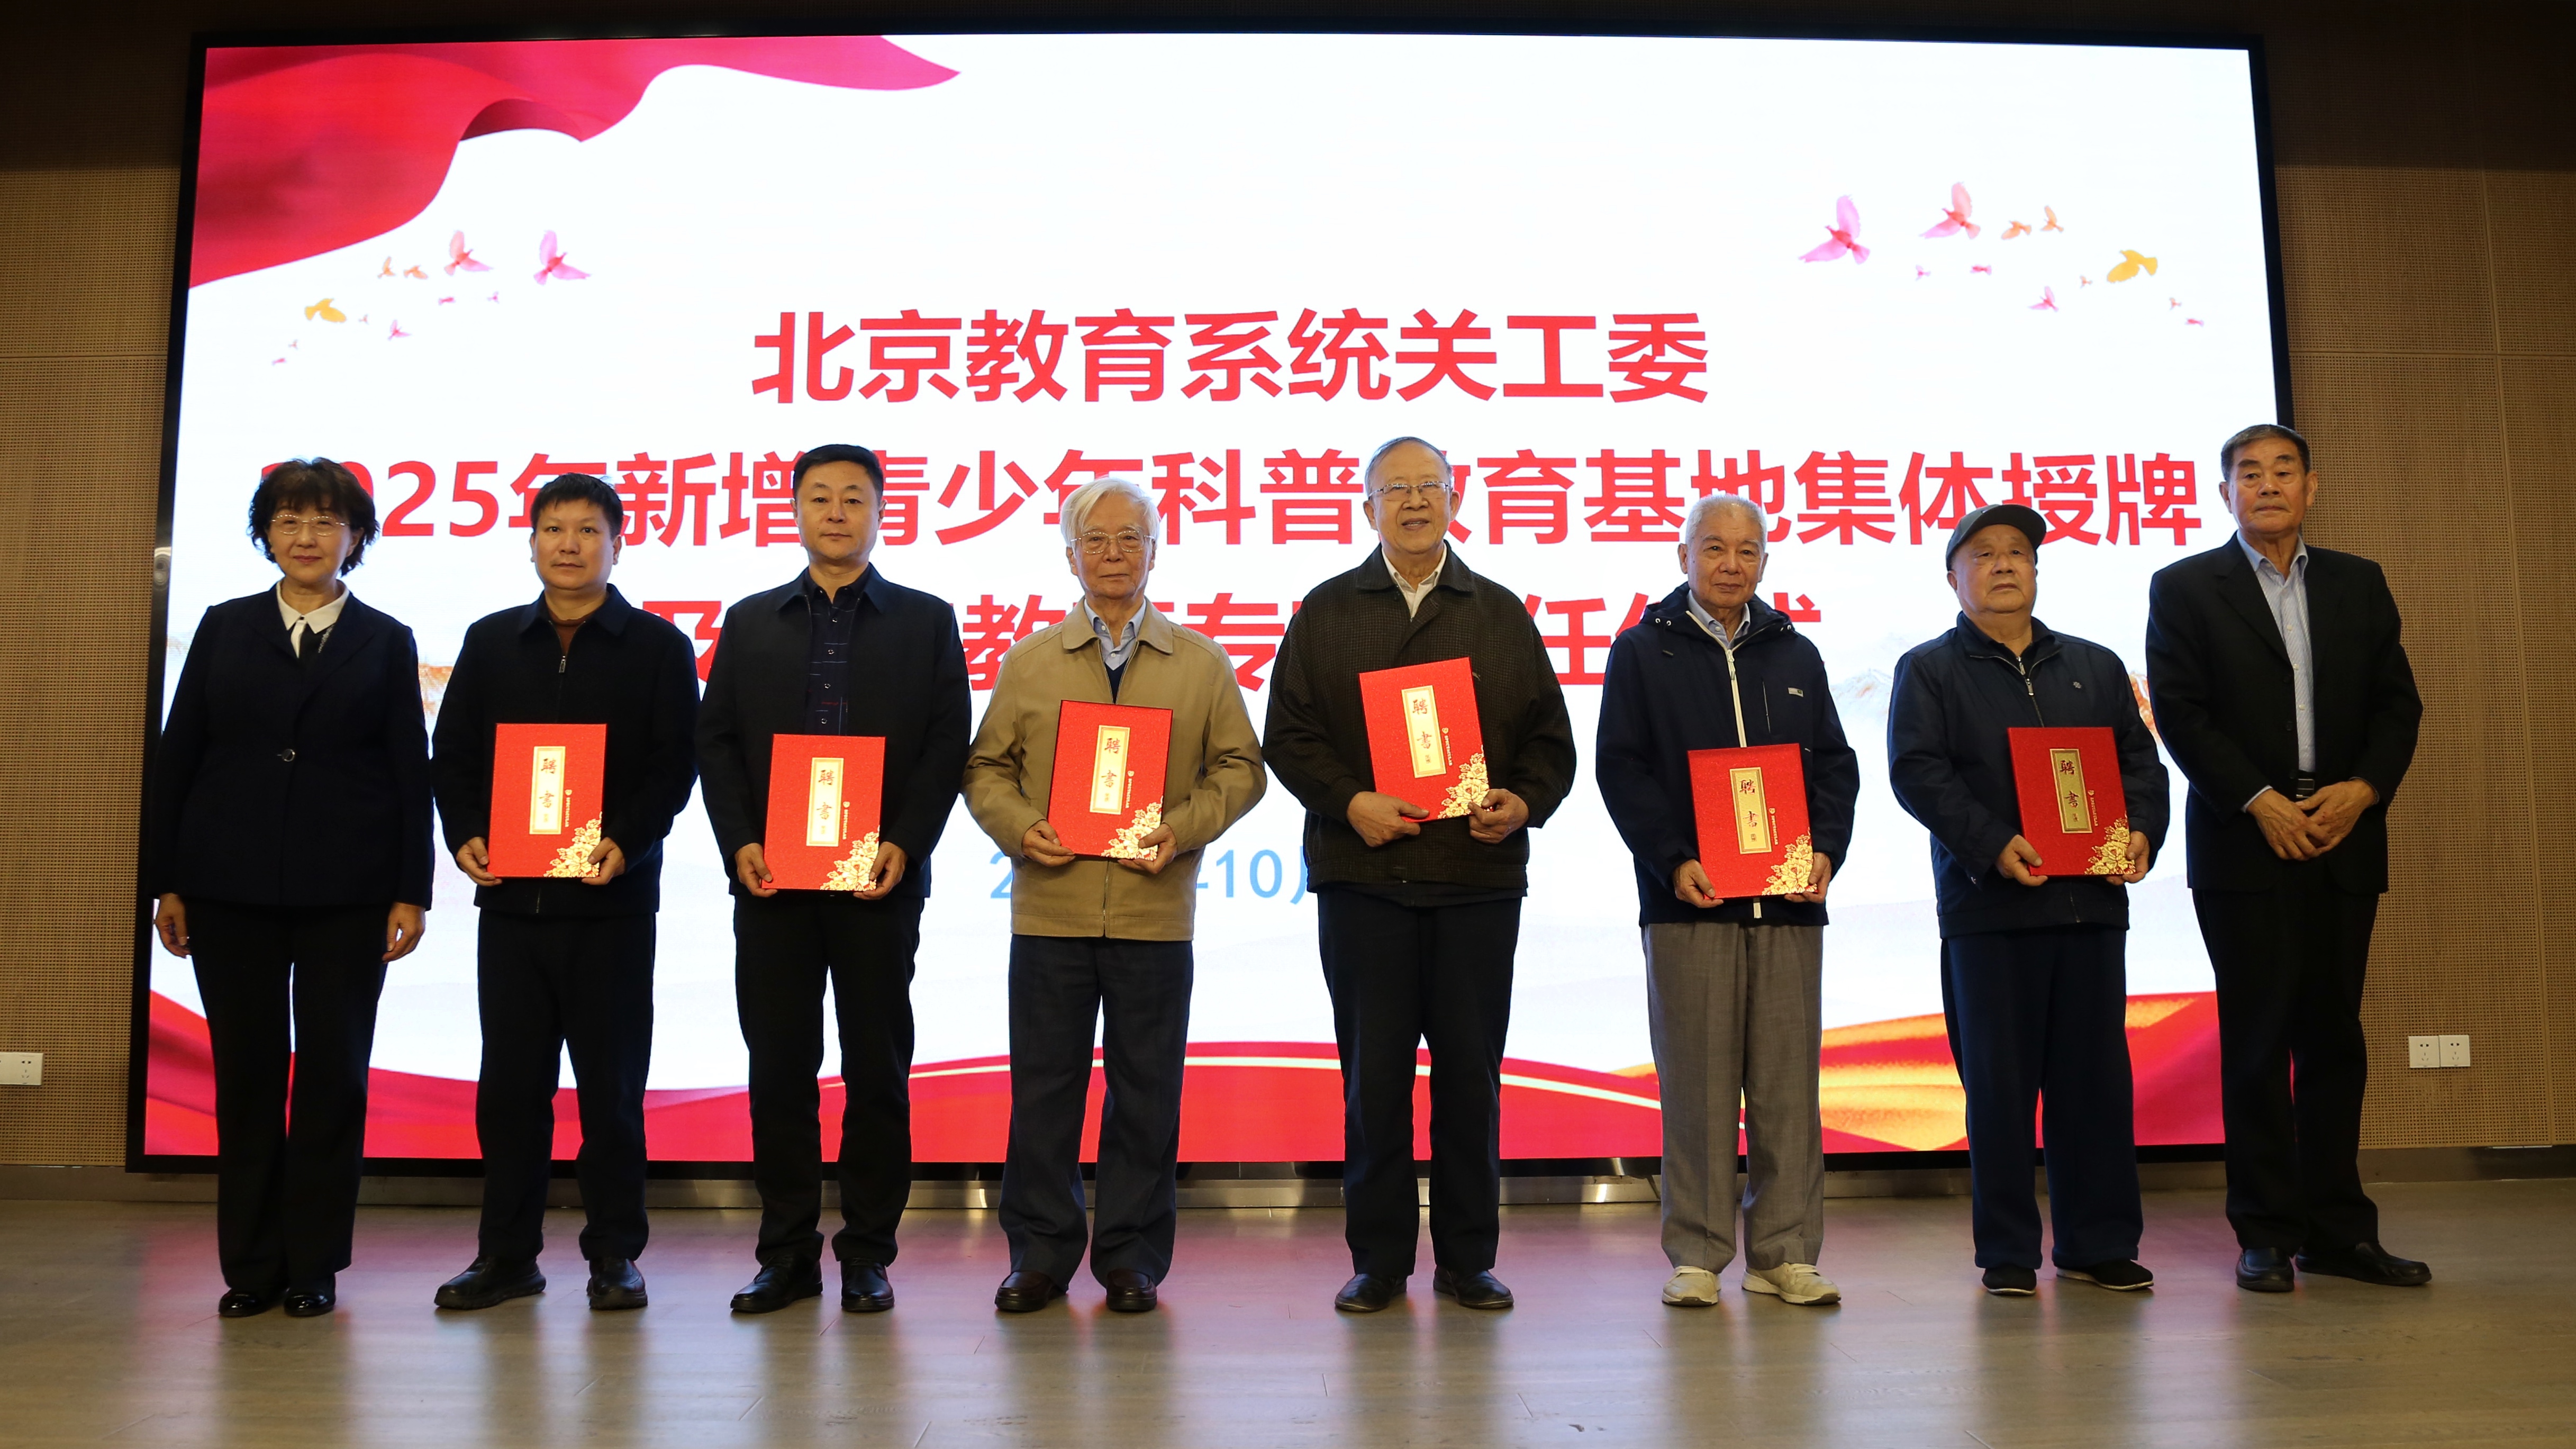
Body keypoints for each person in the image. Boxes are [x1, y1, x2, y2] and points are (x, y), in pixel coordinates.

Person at [1264, 436, 1577, 1314]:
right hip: (1365, 879)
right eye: (1394, 489)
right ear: (1367, 507)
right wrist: (1350, 800)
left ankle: (1468, 1258)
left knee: (1472, 1078)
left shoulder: (1499, 612)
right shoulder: (1328, 610)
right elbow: (1288, 735)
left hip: (1476, 878)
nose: (1412, 502)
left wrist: (1522, 801)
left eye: (1427, 487)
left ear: (1455, 499)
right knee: (1374, 1081)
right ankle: (1379, 1260)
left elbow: (1551, 741)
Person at [963, 477, 1266, 1315]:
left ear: (1155, 552)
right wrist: (1021, 826)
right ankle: (1040, 1254)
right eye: (1095, 539)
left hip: (1154, 913)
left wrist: (1182, 827)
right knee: (1044, 1093)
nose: (1112, 553)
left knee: (1147, 1094)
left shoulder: (1200, 662)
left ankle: (1133, 1256)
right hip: (1051, 911)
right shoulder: (1030, 660)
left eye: (1130, 538)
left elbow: (1243, 769)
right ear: (1070, 556)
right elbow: (985, 768)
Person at [146, 459, 432, 1319]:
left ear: (357, 536)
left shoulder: (386, 639)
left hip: (349, 889)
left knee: (334, 1077)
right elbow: (180, 755)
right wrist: (167, 880)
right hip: (227, 884)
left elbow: (408, 771)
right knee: (248, 1075)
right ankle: (251, 1265)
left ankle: (314, 1264)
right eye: (288, 520)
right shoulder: (224, 626)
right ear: (265, 533)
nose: (306, 536)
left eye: (325, 521)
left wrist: (410, 889)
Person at [2145, 424, 2427, 1293]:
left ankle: (2339, 1230)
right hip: (2247, 842)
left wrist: (2364, 790)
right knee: (2259, 1041)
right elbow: (2182, 713)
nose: (2267, 485)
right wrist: (2259, 799)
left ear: (2311, 486)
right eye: (2249, 474)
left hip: (2343, 835)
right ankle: (2265, 1230)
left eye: (2283, 470)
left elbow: (2398, 706)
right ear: (2224, 493)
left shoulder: (2358, 582)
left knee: (2335, 1039)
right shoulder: (2185, 587)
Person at [696, 444, 970, 1315]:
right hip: (772, 882)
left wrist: (907, 843)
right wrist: (740, 842)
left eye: (855, 497)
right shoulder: (750, 621)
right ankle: (785, 1252)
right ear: (795, 512)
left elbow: (946, 744)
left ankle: (868, 1252)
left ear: (883, 512)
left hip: (877, 882)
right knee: (779, 1069)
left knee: (877, 1069)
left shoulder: (926, 620)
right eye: (820, 497)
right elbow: (717, 742)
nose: (838, 512)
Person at [429, 473, 700, 1313]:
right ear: (532, 542)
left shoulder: (658, 646)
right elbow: (455, 754)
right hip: (513, 906)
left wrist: (628, 839)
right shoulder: (491, 641)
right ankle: (506, 1255)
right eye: (554, 529)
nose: (570, 544)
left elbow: (675, 764)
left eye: (589, 530)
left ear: (618, 544)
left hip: (610, 905)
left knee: (611, 1092)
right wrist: (465, 831)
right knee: (510, 1091)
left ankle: (615, 1253)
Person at [1887, 503, 2169, 1297]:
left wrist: (2140, 831)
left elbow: (2140, 764)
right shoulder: (1930, 669)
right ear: (1953, 577)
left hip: (2090, 906)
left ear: (2037, 570)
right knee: (1999, 1089)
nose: (2004, 564)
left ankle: (2097, 1242)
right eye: (1983, 554)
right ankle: (2008, 1250)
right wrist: (1992, 844)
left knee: (2094, 1084)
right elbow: (1918, 771)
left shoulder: (2095, 666)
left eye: (2018, 551)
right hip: (1990, 910)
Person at [1595, 493, 1858, 1309]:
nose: (1731, 564)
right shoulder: (1643, 650)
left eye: (1748, 550)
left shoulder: (1795, 652)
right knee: (1698, 1089)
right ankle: (1698, 1254)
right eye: (1714, 548)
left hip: (1788, 905)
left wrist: (1826, 848)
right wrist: (1673, 860)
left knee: (1788, 1088)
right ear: (1684, 557)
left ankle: (1785, 1252)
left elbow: (1834, 765)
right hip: (1690, 904)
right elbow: (1621, 768)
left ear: (1765, 562)